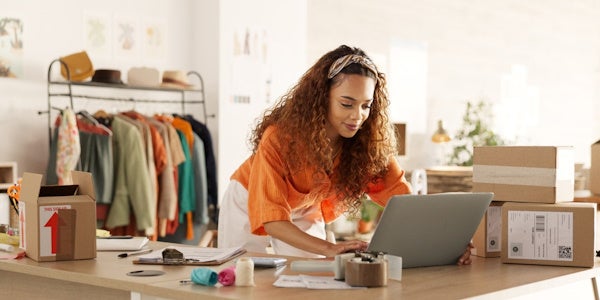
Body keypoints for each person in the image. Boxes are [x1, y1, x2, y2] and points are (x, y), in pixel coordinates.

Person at [218, 45, 473, 264]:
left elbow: (405, 202)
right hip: (248, 198)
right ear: (321, 97)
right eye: (346, 104)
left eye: (366, 106)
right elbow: (272, 220)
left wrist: (449, 241)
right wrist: (329, 247)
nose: (357, 116)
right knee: (242, 273)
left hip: (304, 208)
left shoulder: (369, 145)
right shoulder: (279, 138)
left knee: (311, 281)